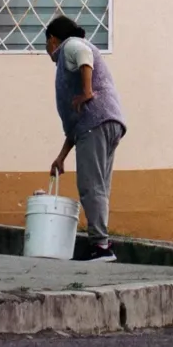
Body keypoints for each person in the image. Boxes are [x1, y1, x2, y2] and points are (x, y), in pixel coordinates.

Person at [44, 14, 126, 259]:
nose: (46, 50)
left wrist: (88, 92)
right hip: (106, 122)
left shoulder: (70, 46)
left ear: (53, 39)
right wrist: (61, 157)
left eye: (46, 43)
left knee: (90, 186)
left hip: (96, 123)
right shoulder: (69, 55)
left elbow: (83, 55)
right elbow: (78, 125)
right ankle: (102, 244)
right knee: (99, 186)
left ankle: (101, 247)